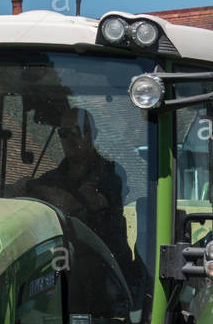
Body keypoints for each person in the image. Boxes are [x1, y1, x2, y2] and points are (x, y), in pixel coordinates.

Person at [24, 107, 136, 277]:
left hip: (108, 272)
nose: (70, 138)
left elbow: (71, 203)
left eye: (77, 131)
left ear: (94, 134)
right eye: (64, 133)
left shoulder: (112, 174)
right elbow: (27, 196)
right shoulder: (51, 178)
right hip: (63, 265)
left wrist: (41, 191)